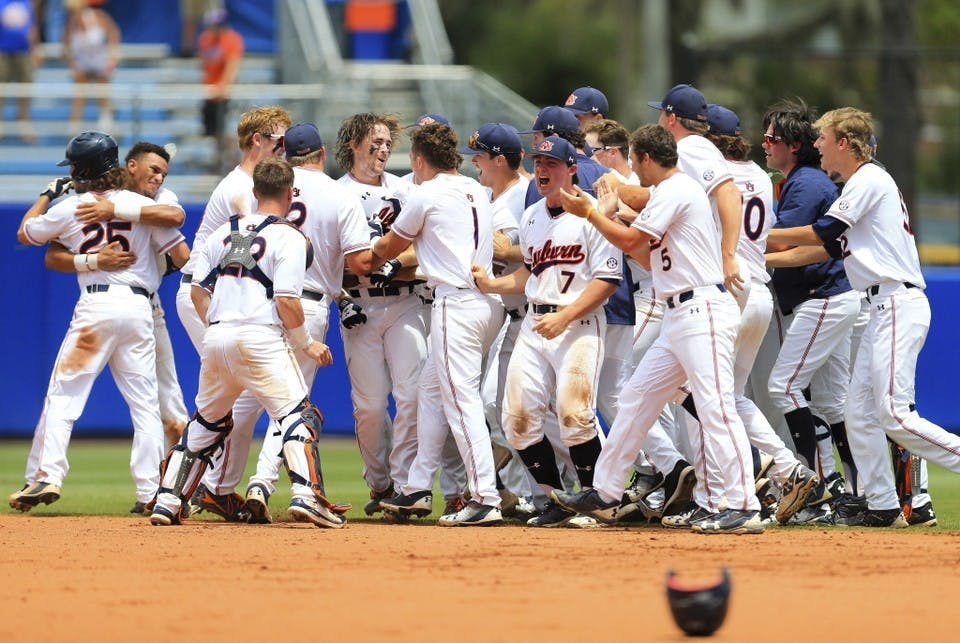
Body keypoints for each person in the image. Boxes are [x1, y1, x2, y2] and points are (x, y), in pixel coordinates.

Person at [554, 124, 763, 534]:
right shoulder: (670, 194)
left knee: (716, 407)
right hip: (679, 314)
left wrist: (594, 214)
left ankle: (743, 505)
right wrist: (605, 211)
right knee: (636, 398)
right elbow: (645, 252)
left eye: (634, 159)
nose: (633, 167)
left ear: (647, 158)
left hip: (702, 309)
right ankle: (607, 492)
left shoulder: (677, 190)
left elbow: (632, 241)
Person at [766, 107, 960, 527]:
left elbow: (818, 234)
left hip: (897, 301)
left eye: (823, 138)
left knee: (893, 413)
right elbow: (823, 250)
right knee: (858, 414)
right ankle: (883, 506)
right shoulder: (859, 185)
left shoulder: (869, 179)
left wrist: (750, 235)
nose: (816, 145)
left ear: (844, 143)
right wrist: (758, 255)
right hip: (879, 306)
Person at [150, 158, 349, 529]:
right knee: (296, 416)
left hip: (218, 337)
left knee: (207, 422)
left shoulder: (220, 234)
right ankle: (307, 496)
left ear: (254, 193)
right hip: (260, 337)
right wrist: (305, 343)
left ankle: (167, 499)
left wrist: (217, 326)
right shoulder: (290, 236)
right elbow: (288, 302)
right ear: (290, 194)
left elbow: (196, 290)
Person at [9, 131, 190, 513]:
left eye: (74, 166)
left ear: (84, 168)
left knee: (65, 395)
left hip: (97, 306)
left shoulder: (71, 206)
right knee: (144, 406)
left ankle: (47, 475)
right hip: (140, 309)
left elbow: (25, 233)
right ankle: (150, 493)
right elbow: (182, 252)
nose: (71, 172)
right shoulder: (139, 204)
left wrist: (47, 193)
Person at [470, 135, 619, 527]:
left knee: (575, 414)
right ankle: (557, 499)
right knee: (515, 419)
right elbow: (530, 273)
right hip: (537, 324)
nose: (542, 170)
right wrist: (493, 285)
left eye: (552, 163)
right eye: (538, 162)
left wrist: (566, 316)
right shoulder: (533, 214)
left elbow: (607, 280)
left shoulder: (593, 213)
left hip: (579, 325)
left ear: (572, 169)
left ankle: (595, 501)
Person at [374, 122, 506, 526]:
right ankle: (416, 487)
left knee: (459, 400)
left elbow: (388, 247)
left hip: (457, 304)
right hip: (487, 303)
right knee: (432, 391)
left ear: (418, 159)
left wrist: (366, 255)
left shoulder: (425, 192)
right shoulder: (475, 189)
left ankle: (485, 496)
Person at [241, 123, 374, 523]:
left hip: (263, 303)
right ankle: (266, 484)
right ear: (321, 153)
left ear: (285, 154)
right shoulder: (340, 194)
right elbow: (360, 262)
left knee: (256, 401)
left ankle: (222, 485)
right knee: (291, 405)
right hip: (308, 306)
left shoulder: (274, 187)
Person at [705, 103, 820, 524]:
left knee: (698, 393)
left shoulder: (712, 175)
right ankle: (788, 469)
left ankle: (725, 489)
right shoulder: (756, 174)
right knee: (729, 396)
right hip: (758, 293)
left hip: (728, 292)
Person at [176, 105, 291, 521]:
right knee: (226, 395)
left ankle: (208, 488)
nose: (285, 147)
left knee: (233, 396)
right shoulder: (241, 187)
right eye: (279, 139)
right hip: (204, 294)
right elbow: (261, 232)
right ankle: (187, 486)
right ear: (256, 140)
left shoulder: (254, 183)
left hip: (224, 293)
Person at [760, 99, 857, 520]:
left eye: (772, 139)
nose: (763, 145)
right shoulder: (800, 181)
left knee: (783, 387)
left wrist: (738, 245)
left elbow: (780, 241)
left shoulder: (807, 183)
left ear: (795, 145)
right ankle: (853, 490)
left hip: (824, 296)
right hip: (833, 296)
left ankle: (812, 489)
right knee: (833, 404)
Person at [334, 112, 429, 519]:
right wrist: (341, 298)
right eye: (375, 141)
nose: (384, 149)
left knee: (411, 396)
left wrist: (394, 262)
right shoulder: (335, 193)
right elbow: (322, 258)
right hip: (361, 304)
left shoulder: (407, 190)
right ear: (353, 144)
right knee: (370, 407)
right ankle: (380, 483)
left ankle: (405, 487)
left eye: (389, 142)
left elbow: (425, 245)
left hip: (406, 299)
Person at [197, 7, 244, 169]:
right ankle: (220, 161)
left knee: (224, 130)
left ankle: (235, 161)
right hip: (210, 92)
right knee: (212, 131)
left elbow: (233, 65)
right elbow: (205, 65)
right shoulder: (205, 39)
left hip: (224, 94)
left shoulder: (232, 39)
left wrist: (224, 86)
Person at [62, 0, 120, 131]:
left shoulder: (99, 16)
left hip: (100, 61)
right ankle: (74, 126)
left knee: (102, 91)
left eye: (74, 10)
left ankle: (107, 122)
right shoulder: (70, 25)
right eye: (70, 11)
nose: (72, 13)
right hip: (82, 62)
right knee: (79, 94)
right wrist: (72, 63)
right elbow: (64, 49)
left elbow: (114, 34)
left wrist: (112, 57)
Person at [0, 0, 39, 142]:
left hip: (24, 53)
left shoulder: (27, 3)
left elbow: (32, 27)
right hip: (3, 52)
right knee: (1, 91)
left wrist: (34, 50)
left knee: (24, 91)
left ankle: (24, 126)